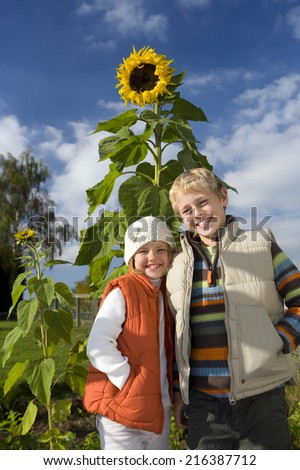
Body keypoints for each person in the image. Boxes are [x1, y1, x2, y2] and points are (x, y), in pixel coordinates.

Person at [166, 167, 300, 450]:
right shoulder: (176, 265)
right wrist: (180, 392)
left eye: (203, 202)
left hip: (261, 398)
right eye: (186, 210)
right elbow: (178, 336)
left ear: (223, 197)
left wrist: (281, 339)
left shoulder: (260, 245)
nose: (197, 214)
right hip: (205, 406)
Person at [83, 216, 175, 450]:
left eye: (161, 249)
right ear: (131, 258)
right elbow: (98, 344)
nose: (153, 257)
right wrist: (128, 379)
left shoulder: (166, 292)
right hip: (121, 414)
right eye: (143, 250)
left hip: (157, 410)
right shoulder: (123, 291)